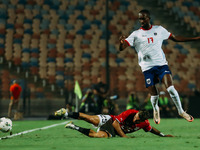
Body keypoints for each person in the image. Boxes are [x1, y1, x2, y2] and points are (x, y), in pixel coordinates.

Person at [119, 9, 199, 124]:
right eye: (140, 18)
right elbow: (123, 47)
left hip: (161, 65)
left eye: (143, 18)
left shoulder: (159, 29)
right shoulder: (136, 34)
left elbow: (175, 38)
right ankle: (156, 109)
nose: (141, 20)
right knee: (154, 94)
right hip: (147, 68)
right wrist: (121, 44)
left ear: (148, 18)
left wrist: (195, 39)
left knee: (170, 88)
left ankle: (181, 111)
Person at [54, 108, 173, 138]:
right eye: (136, 118)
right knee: (90, 118)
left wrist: (163, 135)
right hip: (111, 120)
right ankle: (66, 113)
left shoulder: (144, 124)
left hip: (113, 131)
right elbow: (116, 123)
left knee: (99, 136)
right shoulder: (131, 112)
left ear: (142, 121)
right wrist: (124, 136)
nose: (135, 120)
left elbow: (152, 129)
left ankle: (73, 126)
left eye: (137, 121)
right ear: (137, 113)